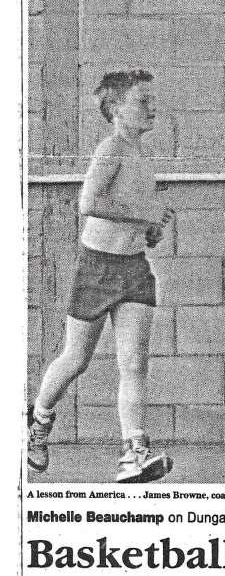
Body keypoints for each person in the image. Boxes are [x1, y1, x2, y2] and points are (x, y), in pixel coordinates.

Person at [27, 70, 174, 483]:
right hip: (97, 268)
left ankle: (134, 451)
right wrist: (144, 214)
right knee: (76, 360)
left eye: (151, 100)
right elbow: (88, 202)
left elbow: (131, 213)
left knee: (133, 363)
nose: (151, 108)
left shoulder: (142, 158)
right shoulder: (110, 149)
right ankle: (38, 422)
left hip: (134, 269)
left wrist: (151, 230)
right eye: (142, 101)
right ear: (115, 109)